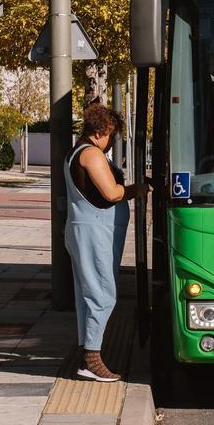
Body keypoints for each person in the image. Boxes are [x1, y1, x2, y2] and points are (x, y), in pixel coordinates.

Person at [64, 103, 148, 382]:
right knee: (102, 294)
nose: (113, 141)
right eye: (113, 135)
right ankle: (91, 357)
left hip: (90, 230)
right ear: (104, 130)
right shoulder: (91, 153)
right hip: (93, 231)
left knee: (88, 294)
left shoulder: (79, 150)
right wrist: (140, 189)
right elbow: (111, 193)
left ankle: (87, 350)